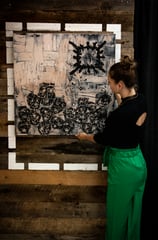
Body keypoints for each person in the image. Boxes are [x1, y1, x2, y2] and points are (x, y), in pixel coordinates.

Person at [76, 56, 147, 240]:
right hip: (138, 164)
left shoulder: (118, 116)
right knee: (133, 216)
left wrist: (84, 137)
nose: (109, 85)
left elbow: (103, 138)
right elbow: (129, 120)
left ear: (120, 84)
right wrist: (119, 100)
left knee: (116, 218)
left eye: (110, 82)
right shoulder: (142, 100)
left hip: (123, 167)